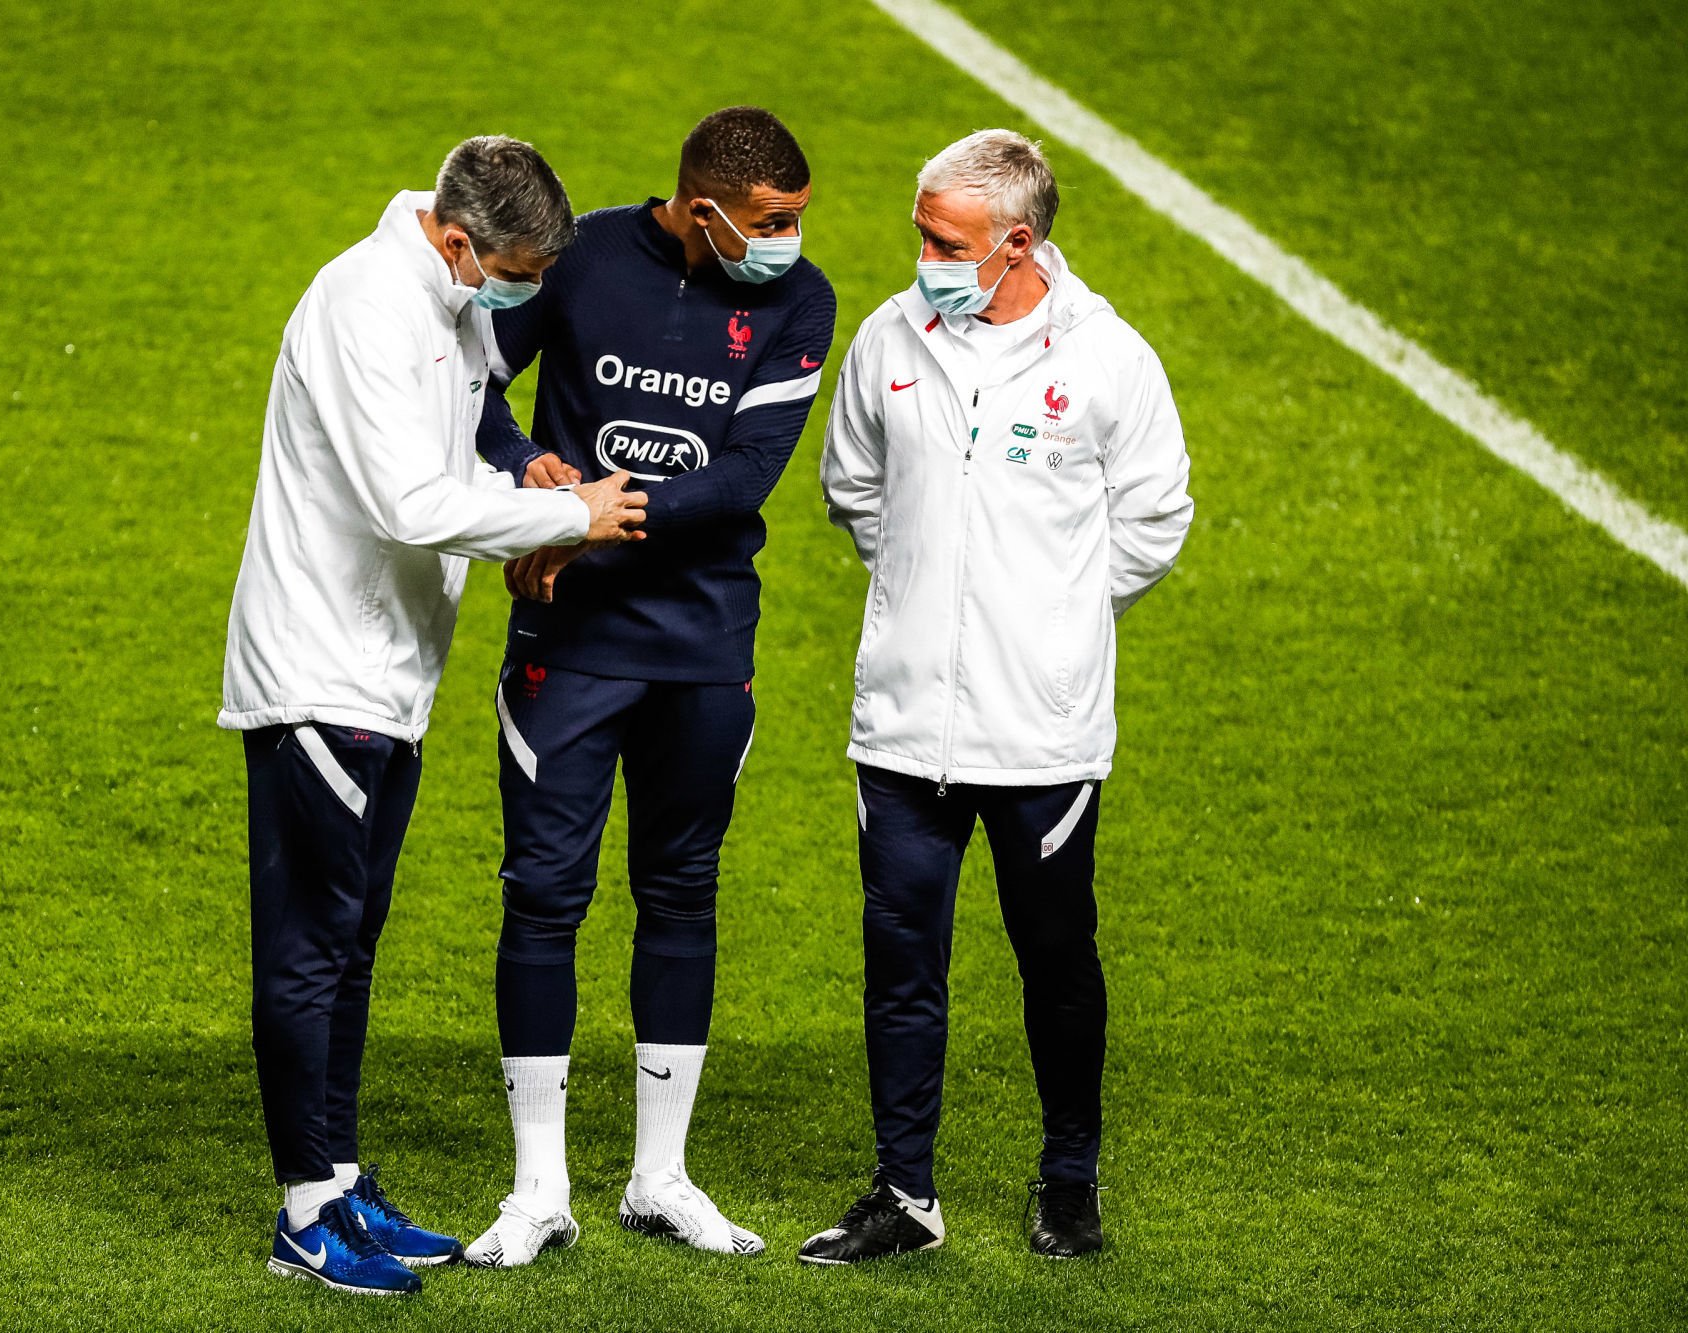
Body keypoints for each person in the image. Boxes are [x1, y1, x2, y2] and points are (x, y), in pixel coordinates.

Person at [218, 135, 648, 1297]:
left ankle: (338, 1178)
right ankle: (304, 1215)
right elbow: (409, 504)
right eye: (513, 273)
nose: (521, 293)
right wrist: (571, 519)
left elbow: (463, 445)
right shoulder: (366, 307)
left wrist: (527, 476)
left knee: (351, 946)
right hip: (319, 671)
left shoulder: (446, 298)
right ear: (458, 240)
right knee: (309, 951)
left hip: (386, 674)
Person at [801, 129, 1192, 1265]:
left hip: (1041, 733)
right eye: (922, 235)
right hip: (903, 725)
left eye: (944, 242)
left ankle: (1069, 1179)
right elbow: (854, 489)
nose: (922, 258)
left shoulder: (1110, 358)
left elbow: (1153, 519)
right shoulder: (889, 338)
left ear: (1015, 244)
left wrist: (1053, 621)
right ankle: (903, 1192)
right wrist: (926, 598)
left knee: (1056, 960)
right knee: (901, 966)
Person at [459, 107, 837, 1268]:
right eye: (767, 221)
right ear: (702, 208)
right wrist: (527, 475)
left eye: (794, 219)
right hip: (568, 641)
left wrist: (587, 519)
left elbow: (742, 478)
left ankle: (658, 1178)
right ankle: (538, 1190)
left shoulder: (801, 301)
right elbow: (469, 388)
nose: (785, 241)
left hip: (702, 646)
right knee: (543, 896)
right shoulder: (578, 261)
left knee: (681, 892)